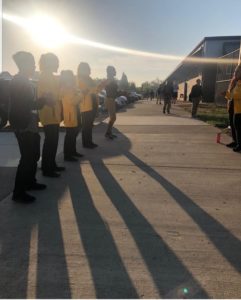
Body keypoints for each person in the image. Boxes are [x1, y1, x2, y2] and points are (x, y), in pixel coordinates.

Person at [9, 51, 48, 203]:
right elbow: (26, 104)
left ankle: (30, 182)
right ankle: (18, 192)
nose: (34, 67)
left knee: (34, 155)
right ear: (24, 65)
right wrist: (44, 100)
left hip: (29, 122)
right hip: (23, 124)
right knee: (27, 157)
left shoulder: (23, 80)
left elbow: (27, 103)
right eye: (32, 64)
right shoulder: (19, 81)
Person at [38, 53, 64, 177]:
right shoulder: (45, 77)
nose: (57, 64)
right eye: (55, 62)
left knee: (53, 142)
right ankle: (47, 168)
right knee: (50, 142)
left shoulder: (52, 77)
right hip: (49, 114)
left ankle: (51, 164)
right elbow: (49, 97)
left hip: (55, 114)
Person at [77, 62, 106, 148]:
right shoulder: (80, 79)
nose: (89, 70)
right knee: (86, 126)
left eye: (89, 68)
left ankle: (89, 142)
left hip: (93, 104)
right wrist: (96, 88)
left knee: (89, 125)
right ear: (83, 70)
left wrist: (101, 86)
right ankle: (86, 143)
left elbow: (95, 90)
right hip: (86, 106)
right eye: (87, 68)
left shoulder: (89, 79)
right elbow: (87, 90)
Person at [60, 70, 84, 161]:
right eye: (71, 76)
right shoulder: (65, 88)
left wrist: (79, 95)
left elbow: (76, 99)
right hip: (70, 115)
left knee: (74, 134)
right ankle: (67, 155)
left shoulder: (71, 87)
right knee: (70, 135)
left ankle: (73, 151)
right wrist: (81, 94)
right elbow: (72, 101)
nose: (73, 78)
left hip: (75, 113)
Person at [225, 64, 241, 152]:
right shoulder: (234, 82)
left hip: (239, 108)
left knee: (238, 126)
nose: (235, 73)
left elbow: (238, 95)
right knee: (233, 125)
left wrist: (232, 96)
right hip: (232, 105)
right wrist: (226, 95)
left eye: (237, 71)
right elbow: (230, 95)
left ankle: (239, 144)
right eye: (235, 71)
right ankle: (235, 141)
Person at [105, 65, 119, 139]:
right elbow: (108, 89)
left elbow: (114, 90)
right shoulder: (109, 79)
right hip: (109, 99)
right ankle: (108, 133)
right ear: (111, 72)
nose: (115, 72)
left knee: (113, 117)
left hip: (112, 99)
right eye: (114, 70)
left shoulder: (112, 79)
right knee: (113, 117)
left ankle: (109, 132)